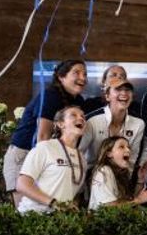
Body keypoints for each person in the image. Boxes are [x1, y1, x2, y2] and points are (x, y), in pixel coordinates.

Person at [5, 59, 87, 202]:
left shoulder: (78, 101)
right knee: (25, 207)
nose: (83, 78)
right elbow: (42, 136)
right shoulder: (51, 95)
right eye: (77, 73)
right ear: (61, 77)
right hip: (24, 154)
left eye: (85, 74)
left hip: (50, 157)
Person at [15, 106, 88, 214]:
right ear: (60, 124)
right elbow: (22, 184)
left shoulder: (82, 158)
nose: (81, 118)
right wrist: (53, 203)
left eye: (83, 116)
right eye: (73, 115)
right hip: (33, 216)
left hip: (58, 221)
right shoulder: (45, 147)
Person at [80, 78, 145, 173]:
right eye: (118, 89)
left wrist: (125, 183)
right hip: (91, 173)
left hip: (121, 176)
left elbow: (132, 159)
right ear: (107, 96)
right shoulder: (92, 120)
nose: (124, 93)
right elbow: (79, 154)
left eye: (127, 90)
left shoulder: (139, 124)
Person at [88, 136, 147, 209]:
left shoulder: (121, 174)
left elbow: (129, 202)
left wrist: (140, 180)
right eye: (121, 147)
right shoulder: (104, 171)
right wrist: (139, 200)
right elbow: (108, 207)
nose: (128, 150)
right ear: (109, 153)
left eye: (128, 147)